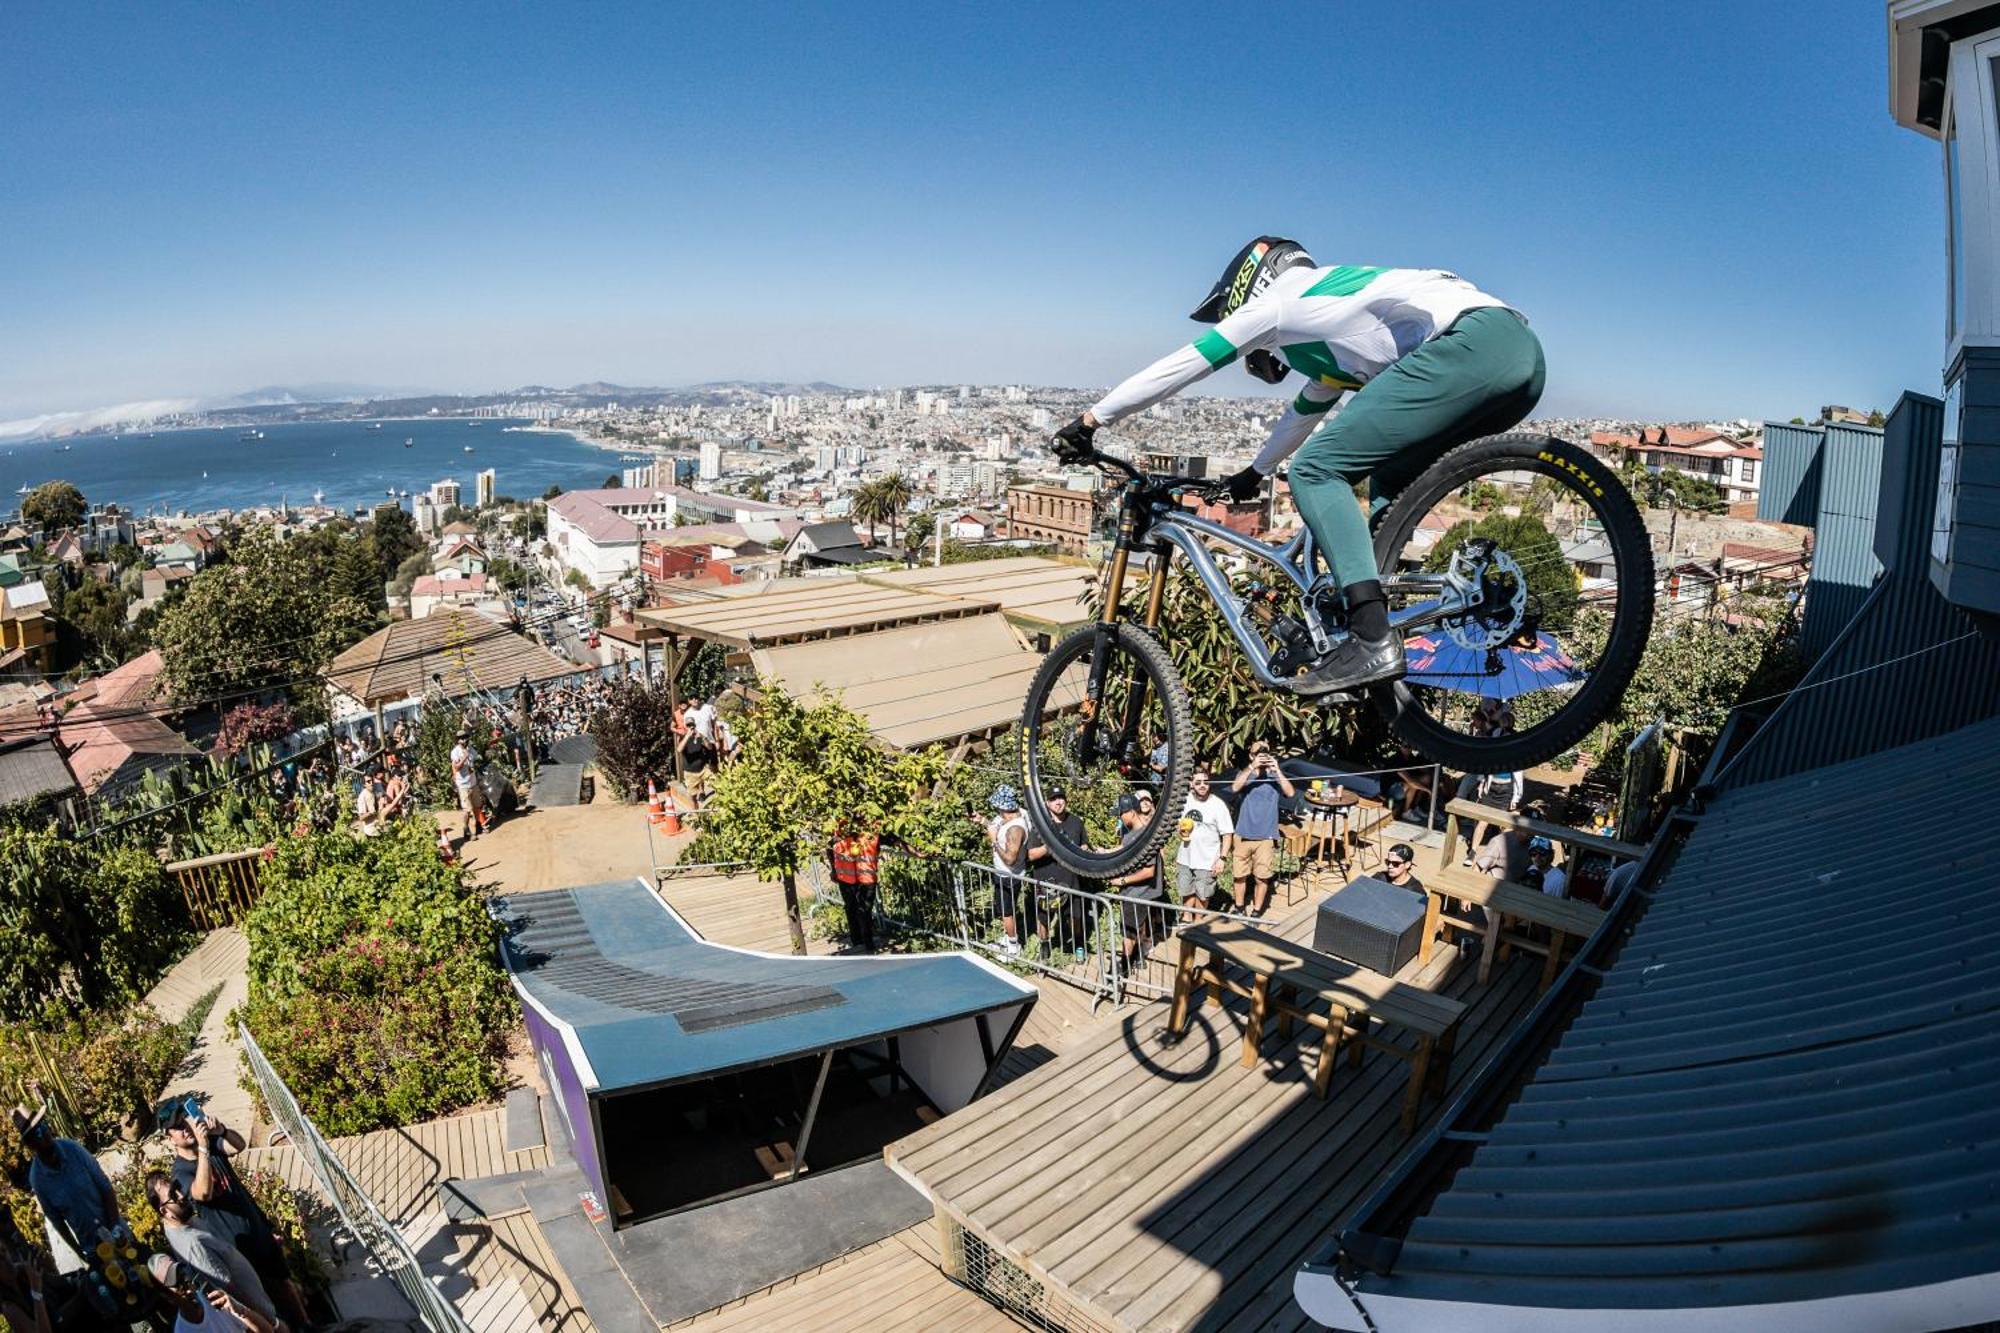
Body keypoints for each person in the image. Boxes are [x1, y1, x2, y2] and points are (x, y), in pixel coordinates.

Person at [1052, 236, 1543, 694]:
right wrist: (1255, 471)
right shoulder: (1330, 326)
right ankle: (1396, 616)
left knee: (1313, 472)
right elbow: (1302, 412)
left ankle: (1372, 641)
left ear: (1248, 286)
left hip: (1470, 348)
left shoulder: (1278, 303)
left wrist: (1092, 419)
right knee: (1386, 485)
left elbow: (1187, 363)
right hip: (1519, 360)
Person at [165, 1107, 308, 1330]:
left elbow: (238, 1146)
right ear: (169, 1137)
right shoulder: (180, 1172)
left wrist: (222, 1130)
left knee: (283, 1282)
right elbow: (203, 1193)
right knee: (263, 1304)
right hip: (235, 1246)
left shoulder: (211, 1146)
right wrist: (203, 1148)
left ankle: (306, 1326)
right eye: (178, 1128)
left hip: (256, 1228)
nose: (186, 1130)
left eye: (186, 1123)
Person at [146, 1172, 278, 1328]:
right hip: (260, 1317)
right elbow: (232, 1293)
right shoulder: (192, 1245)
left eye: (178, 1187)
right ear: (164, 1211)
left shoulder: (181, 1221)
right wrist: (271, 1323)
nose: (182, 1195)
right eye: (173, 1195)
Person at [13, 1108, 118, 1270]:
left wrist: (114, 1229)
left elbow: (105, 1187)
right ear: (31, 1144)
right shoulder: (38, 1180)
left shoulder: (73, 1149)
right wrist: (79, 1252)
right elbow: (58, 1222)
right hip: (93, 1249)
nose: (45, 1133)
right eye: (38, 1133)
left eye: (44, 1126)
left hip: (115, 1227)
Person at [1024, 787, 1090, 962]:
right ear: (1047, 803)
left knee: (1075, 916)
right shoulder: (1041, 826)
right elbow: (1030, 855)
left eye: (1061, 798)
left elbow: (1084, 845)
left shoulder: (1076, 822)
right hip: (1046, 880)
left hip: (1071, 878)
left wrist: (1080, 851)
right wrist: (1050, 847)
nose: (1059, 802)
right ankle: (1044, 945)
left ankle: (1078, 944)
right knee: (1043, 918)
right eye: (1054, 799)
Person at [1229, 742, 1294, 916]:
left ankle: (1257, 911)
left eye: (1266, 752)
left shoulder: (1274, 775)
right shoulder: (1246, 773)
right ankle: (1239, 907)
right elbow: (1235, 787)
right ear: (1251, 755)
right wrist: (1252, 767)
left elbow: (1290, 793)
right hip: (1243, 833)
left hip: (1266, 836)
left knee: (1262, 877)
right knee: (1239, 875)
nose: (1262, 755)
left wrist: (1277, 770)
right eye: (1258, 752)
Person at [1105, 790, 1163, 975]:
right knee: (1137, 926)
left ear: (1130, 812)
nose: (1120, 818)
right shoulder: (1134, 834)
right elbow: (1124, 849)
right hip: (1138, 892)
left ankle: (1121, 967)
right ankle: (1137, 958)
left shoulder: (1143, 836)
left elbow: (1148, 871)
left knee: (1128, 930)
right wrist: (1103, 852)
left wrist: (1121, 880)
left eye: (1121, 814)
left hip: (1136, 893)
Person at [146, 1254, 270, 1333]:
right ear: (168, 1297)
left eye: (182, 1274)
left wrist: (241, 1311)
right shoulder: (184, 1331)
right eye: (176, 1283)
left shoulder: (213, 1298)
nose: (186, 1286)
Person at [1175, 767, 1234, 912]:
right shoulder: (1184, 800)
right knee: (1186, 890)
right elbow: (1178, 823)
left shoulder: (1218, 805)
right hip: (1185, 857)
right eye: (1198, 782)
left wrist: (1222, 858)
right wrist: (1180, 831)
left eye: (1206, 782)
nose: (1202, 785)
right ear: (1191, 784)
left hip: (1207, 860)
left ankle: (1198, 923)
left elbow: (1227, 834)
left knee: (1203, 894)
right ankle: (1187, 919)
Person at [985, 786, 1030, 958]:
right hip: (1006, 873)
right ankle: (1008, 938)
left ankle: (1013, 947)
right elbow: (996, 823)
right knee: (1005, 910)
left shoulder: (1015, 829)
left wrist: (994, 840)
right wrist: (983, 821)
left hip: (1009, 875)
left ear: (1003, 807)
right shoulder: (1019, 814)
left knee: (1007, 912)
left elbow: (1010, 858)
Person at [828, 825, 882, 954]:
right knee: (854, 908)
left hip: (860, 877)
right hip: (847, 877)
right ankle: (859, 940)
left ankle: (864, 940)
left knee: (861, 909)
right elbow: (830, 850)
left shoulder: (861, 832)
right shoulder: (838, 834)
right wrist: (834, 870)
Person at [449, 729, 487, 842]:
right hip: (463, 784)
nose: (464, 740)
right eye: (461, 738)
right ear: (457, 740)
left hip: (473, 782)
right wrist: (464, 758)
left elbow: (476, 758)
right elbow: (456, 767)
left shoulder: (470, 749)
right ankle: (468, 831)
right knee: (467, 810)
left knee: (477, 806)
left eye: (465, 738)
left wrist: (477, 760)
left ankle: (478, 826)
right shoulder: (455, 752)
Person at [352, 768, 381, 836]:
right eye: (368, 781)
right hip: (370, 831)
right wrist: (371, 812)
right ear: (364, 784)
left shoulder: (372, 792)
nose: (371, 783)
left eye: (372, 780)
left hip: (377, 827)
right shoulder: (362, 797)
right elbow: (361, 817)